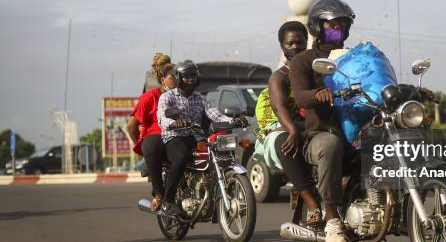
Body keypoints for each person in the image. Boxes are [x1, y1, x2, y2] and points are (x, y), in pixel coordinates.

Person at [289, 0, 355, 242]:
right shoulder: (304, 60)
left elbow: (376, 80)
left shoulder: (354, 57)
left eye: (342, 24)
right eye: (331, 24)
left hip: (357, 130)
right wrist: (317, 94)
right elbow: (299, 95)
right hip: (320, 133)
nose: (337, 29)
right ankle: (331, 218)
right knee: (329, 144)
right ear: (317, 27)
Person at [157, 60, 247, 216]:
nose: (190, 79)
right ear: (178, 77)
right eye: (186, 76)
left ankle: (210, 194)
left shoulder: (200, 98)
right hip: (174, 137)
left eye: (193, 75)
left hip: (196, 137)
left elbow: (215, 114)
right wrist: (175, 123)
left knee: (219, 156)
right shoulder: (168, 97)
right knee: (182, 156)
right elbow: (162, 118)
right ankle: (167, 201)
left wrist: (234, 120)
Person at [255, 21, 321, 222]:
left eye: (300, 42)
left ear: (307, 42)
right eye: (290, 43)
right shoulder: (279, 77)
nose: (295, 47)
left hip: (315, 124)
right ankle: (312, 204)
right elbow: (279, 107)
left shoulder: (317, 71)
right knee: (285, 144)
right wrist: (292, 130)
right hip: (289, 126)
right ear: (282, 46)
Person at [127, 53, 176, 212]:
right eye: (173, 77)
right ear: (163, 79)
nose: (177, 80)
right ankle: (159, 194)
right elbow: (131, 126)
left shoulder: (180, 97)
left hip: (175, 137)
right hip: (154, 138)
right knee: (153, 145)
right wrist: (141, 148)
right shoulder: (149, 97)